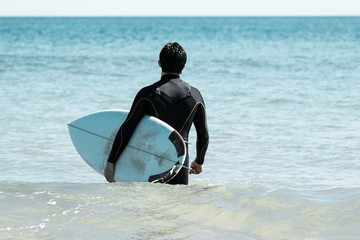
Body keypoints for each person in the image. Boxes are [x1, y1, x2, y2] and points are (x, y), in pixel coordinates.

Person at [104, 42, 209, 185]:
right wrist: (199, 161)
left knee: (150, 205)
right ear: (184, 66)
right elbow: (203, 134)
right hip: (180, 166)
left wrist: (111, 162)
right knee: (178, 204)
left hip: (150, 164)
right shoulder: (195, 96)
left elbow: (127, 128)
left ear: (159, 63)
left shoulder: (147, 94)